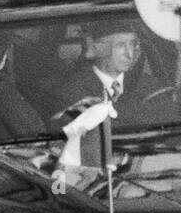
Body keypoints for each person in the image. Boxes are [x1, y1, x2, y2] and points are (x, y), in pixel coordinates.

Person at [51, 20, 151, 169]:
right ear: (99, 50)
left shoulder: (150, 86)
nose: (130, 54)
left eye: (133, 44)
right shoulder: (72, 92)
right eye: (121, 46)